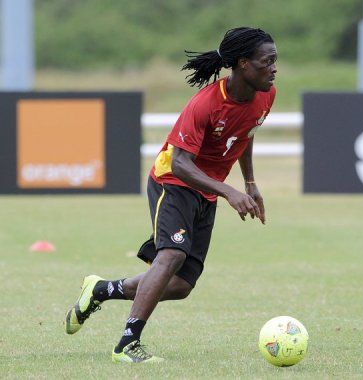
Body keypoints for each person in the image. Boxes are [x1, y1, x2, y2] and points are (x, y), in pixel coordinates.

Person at [64, 27, 277, 363]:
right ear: (243, 64)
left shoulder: (266, 94)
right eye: (268, 61)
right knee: (171, 256)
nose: (274, 68)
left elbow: (245, 134)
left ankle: (102, 289)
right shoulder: (205, 103)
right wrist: (229, 191)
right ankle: (127, 344)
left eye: (275, 61)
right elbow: (180, 164)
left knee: (180, 285)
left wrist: (249, 183)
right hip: (172, 181)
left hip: (206, 191)